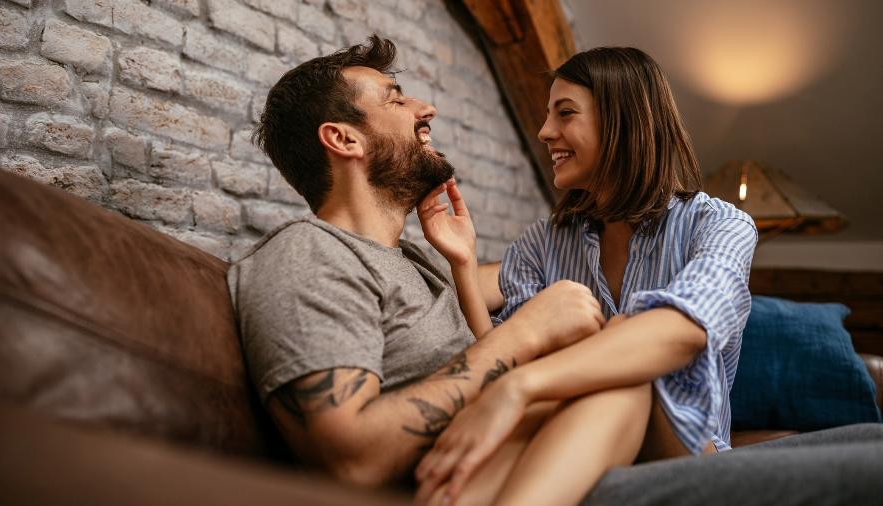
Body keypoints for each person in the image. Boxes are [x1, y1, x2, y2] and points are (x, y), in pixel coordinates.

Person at [228, 35, 607, 490]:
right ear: (344, 138)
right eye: (396, 100)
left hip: (552, 459)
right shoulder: (307, 254)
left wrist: (464, 264)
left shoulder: (413, 260)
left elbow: (509, 320)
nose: (426, 109)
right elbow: (352, 459)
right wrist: (524, 334)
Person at [412, 46, 757, 504]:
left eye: (565, 113)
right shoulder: (548, 240)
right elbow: (497, 351)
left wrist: (522, 386)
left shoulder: (722, 227)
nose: (544, 131)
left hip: (685, 456)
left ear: (624, 120)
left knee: (625, 346)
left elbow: (683, 332)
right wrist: (462, 260)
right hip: (572, 442)